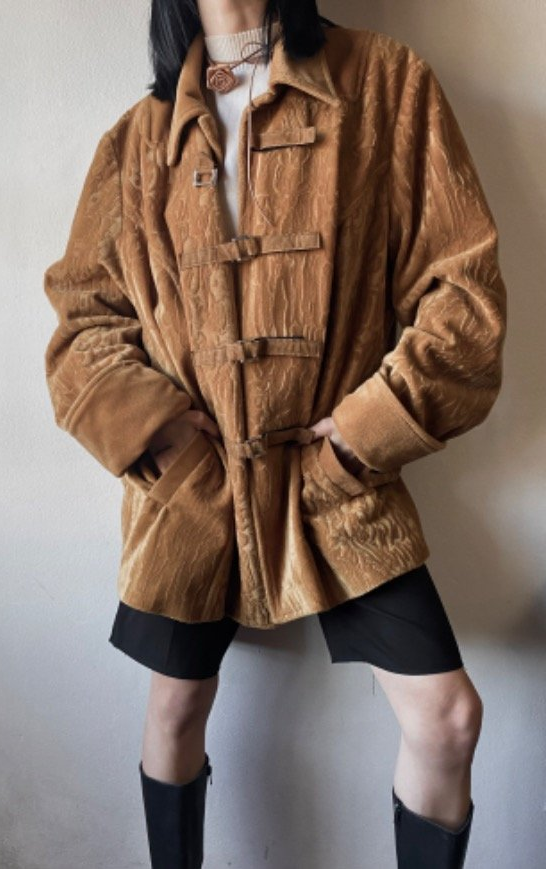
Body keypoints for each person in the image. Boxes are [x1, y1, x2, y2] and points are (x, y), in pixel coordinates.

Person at [43, 1, 507, 866]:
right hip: (197, 492)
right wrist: (165, 441)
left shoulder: (386, 84)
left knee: (447, 716)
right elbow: (82, 325)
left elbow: (464, 296)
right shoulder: (140, 140)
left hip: (338, 483)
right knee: (176, 708)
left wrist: (360, 438)